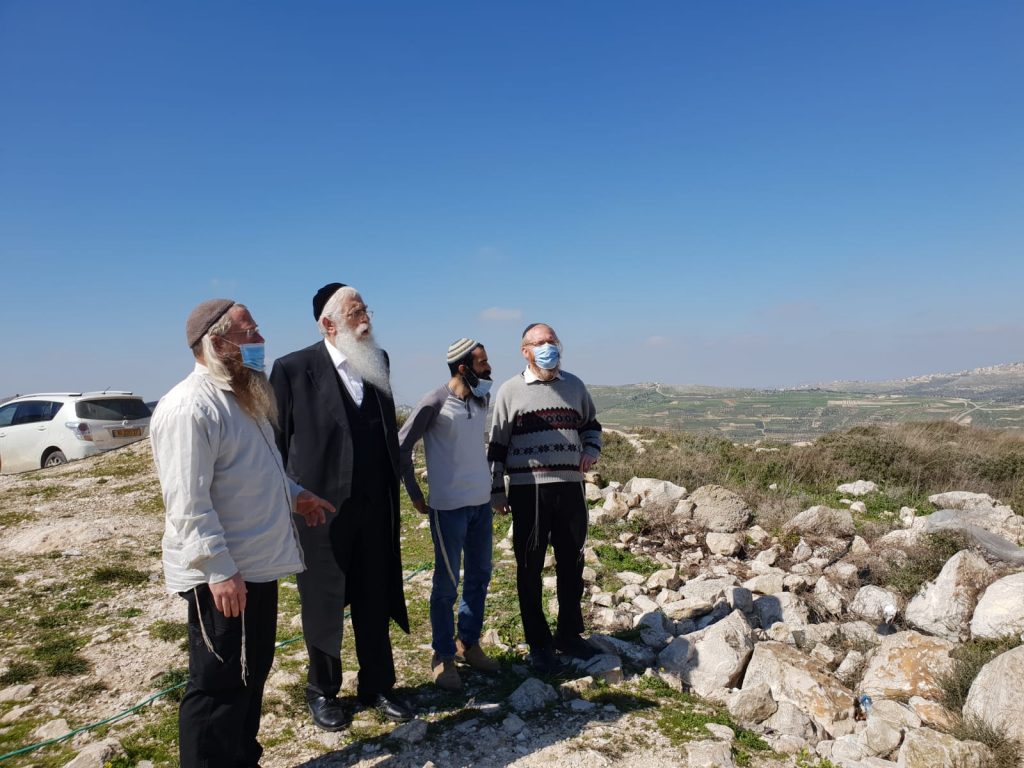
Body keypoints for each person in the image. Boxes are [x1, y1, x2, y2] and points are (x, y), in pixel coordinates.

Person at [151, 299, 334, 768]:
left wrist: (296, 495)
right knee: (217, 685)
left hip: (258, 565)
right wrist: (219, 571)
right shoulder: (189, 407)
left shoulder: (243, 399)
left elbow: (259, 470)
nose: (260, 341)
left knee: (252, 674)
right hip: (224, 575)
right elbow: (188, 504)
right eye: (250, 333)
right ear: (217, 342)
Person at [270, 283, 412, 728]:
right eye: (355, 313)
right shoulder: (293, 370)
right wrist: (291, 500)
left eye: (365, 309)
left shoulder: (378, 360)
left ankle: (378, 685)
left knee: (374, 595)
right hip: (321, 510)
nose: (365, 319)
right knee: (323, 602)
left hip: (375, 506)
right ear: (328, 324)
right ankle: (322, 690)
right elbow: (276, 444)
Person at [487, 323, 602, 673]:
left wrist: (591, 450)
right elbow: (496, 445)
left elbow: (591, 425)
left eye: (551, 341)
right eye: (539, 343)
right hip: (529, 489)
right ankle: (538, 643)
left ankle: (568, 634)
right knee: (529, 567)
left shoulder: (575, 386)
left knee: (572, 562)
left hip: (570, 486)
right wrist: (496, 489)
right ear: (525, 350)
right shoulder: (510, 391)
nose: (547, 347)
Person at [398, 338, 500, 691]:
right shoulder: (434, 401)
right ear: (463, 367)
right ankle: (442, 656)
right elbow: (401, 446)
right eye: (483, 362)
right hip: (448, 508)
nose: (489, 368)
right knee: (446, 584)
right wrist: (414, 493)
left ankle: (468, 644)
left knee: (480, 576)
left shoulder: (481, 398)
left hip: (480, 505)